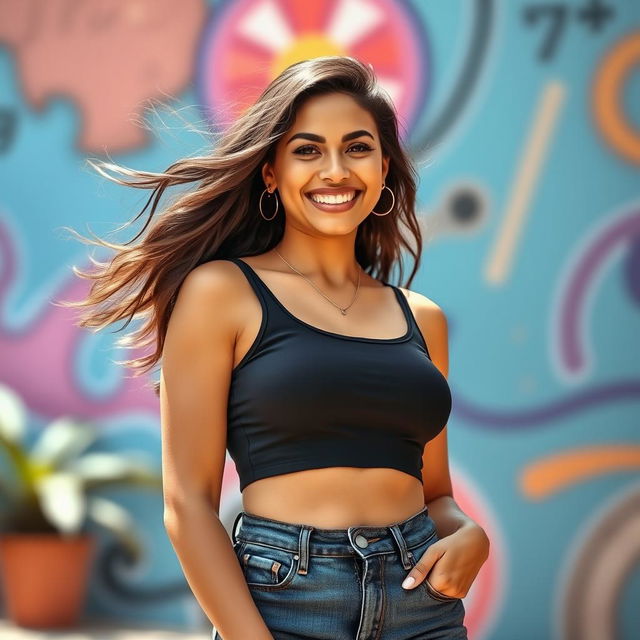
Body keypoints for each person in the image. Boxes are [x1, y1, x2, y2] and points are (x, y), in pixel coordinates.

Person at [63, 56, 489, 639]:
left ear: (384, 167)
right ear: (270, 172)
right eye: (308, 150)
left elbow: (435, 494)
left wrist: (470, 534)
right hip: (285, 600)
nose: (335, 170)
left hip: (421, 602)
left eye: (357, 148)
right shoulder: (222, 293)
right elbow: (188, 503)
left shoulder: (422, 320)